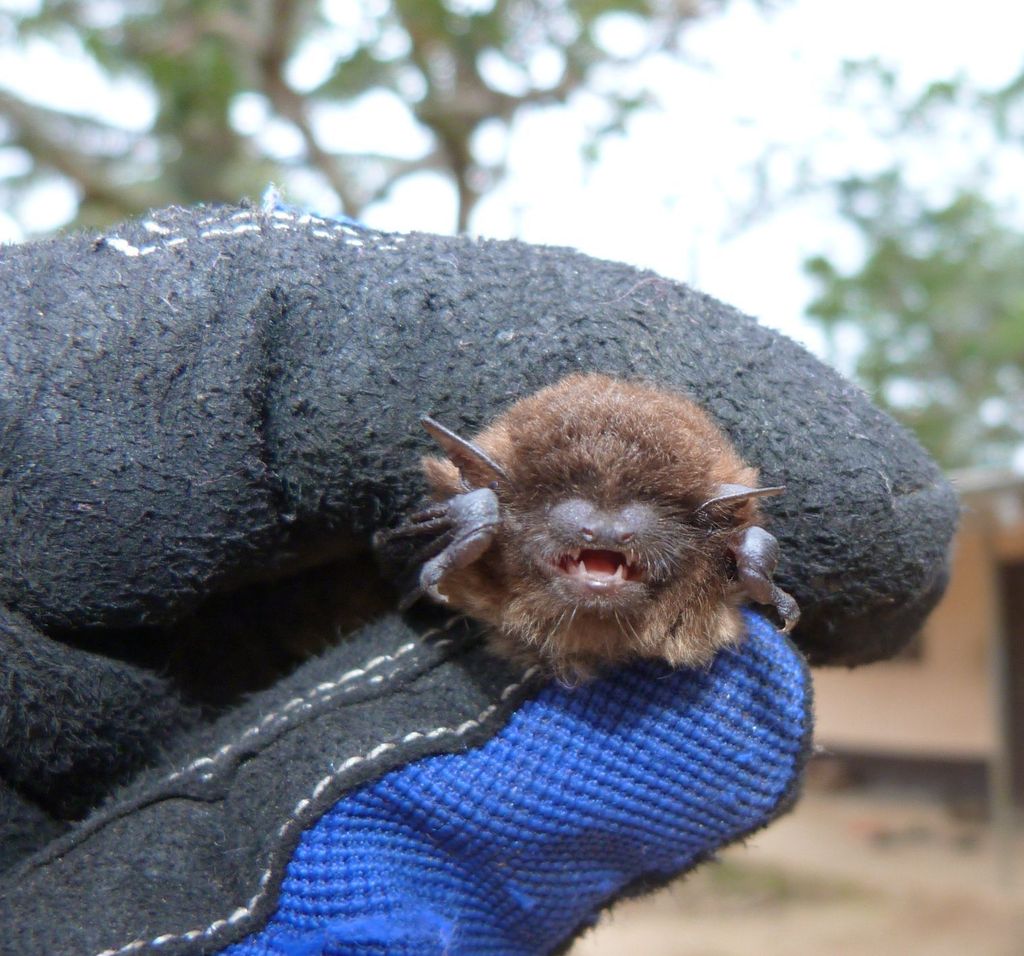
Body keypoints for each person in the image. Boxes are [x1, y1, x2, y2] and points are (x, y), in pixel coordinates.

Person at [0, 201, 956, 955]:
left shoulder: (715, 569)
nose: (606, 532)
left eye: (647, 521)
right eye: (569, 510)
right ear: (480, 512)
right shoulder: (462, 539)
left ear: (726, 548)